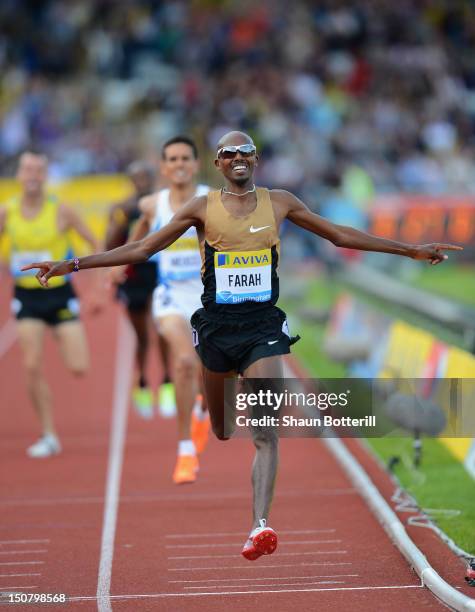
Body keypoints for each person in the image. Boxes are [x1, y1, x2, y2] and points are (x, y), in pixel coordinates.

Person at [23, 131, 462, 557]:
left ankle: (260, 525)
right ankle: (207, 415)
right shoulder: (202, 207)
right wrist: (73, 264)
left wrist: (409, 250)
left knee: (265, 431)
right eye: (229, 152)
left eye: (246, 151)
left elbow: (340, 235)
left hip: (263, 329)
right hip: (215, 329)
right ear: (218, 163)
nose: (238, 157)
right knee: (223, 430)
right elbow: (142, 250)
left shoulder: (280, 202)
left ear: (255, 159)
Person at [0, 151, 100, 457]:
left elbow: (94, 244)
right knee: (31, 365)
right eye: (27, 169)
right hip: (26, 297)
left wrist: (96, 290)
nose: (32, 175)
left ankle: (60, 330)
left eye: (38, 170)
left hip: (59, 296)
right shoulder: (8, 211)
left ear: (45, 175)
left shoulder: (62, 211)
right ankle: (48, 434)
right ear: (19, 174)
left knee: (79, 366)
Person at [131, 136, 211, 484]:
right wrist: (119, 269)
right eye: (172, 159)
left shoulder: (213, 200)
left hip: (210, 301)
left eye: (185, 158)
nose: (179, 164)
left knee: (213, 379)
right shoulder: (153, 204)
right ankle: (184, 450)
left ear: (195, 164)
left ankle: (202, 411)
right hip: (170, 299)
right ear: (163, 167)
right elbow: (139, 238)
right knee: (183, 362)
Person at [105, 160, 164, 419]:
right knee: (142, 336)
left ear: (152, 178)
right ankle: (141, 382)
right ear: (130, 181)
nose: (141, 181)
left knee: (162, 327)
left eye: (145, 176)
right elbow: (110, 243)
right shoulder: (123, 209)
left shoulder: (163, 204)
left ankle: (168, 381)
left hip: (161, 272)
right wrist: (119, 220)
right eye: (136, 177)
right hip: (134, 275)